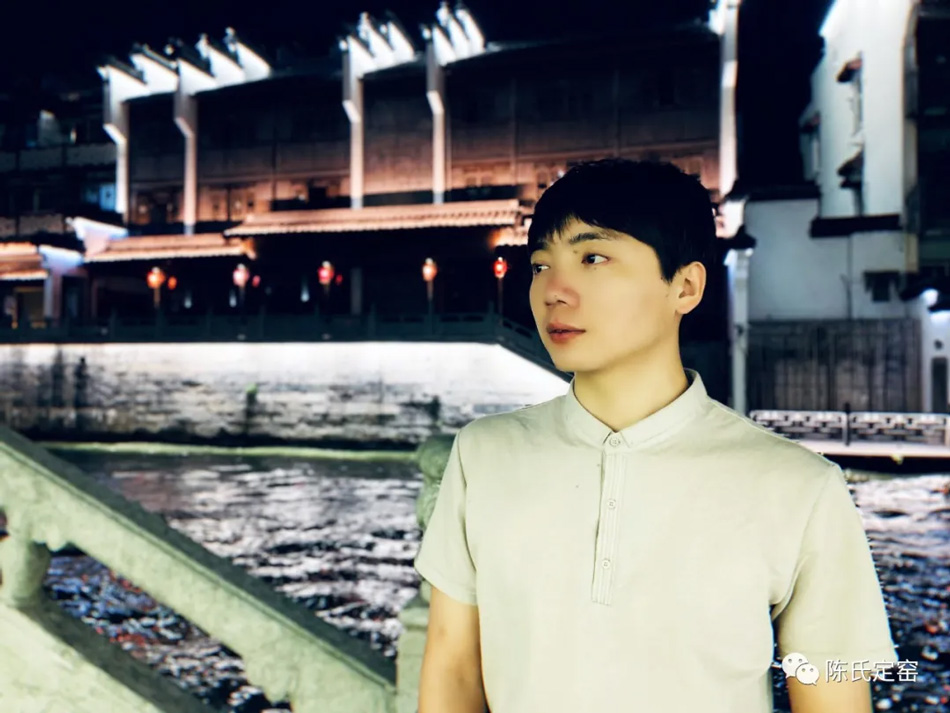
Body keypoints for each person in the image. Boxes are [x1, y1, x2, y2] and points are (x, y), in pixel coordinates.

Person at [413, 159, 899, 713]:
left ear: (685, 287)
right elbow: (453, 667)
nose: (553, 291)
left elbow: (834, 693)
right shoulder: (484, 455)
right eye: (541, 265)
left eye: (593, 258)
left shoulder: (801, 487)